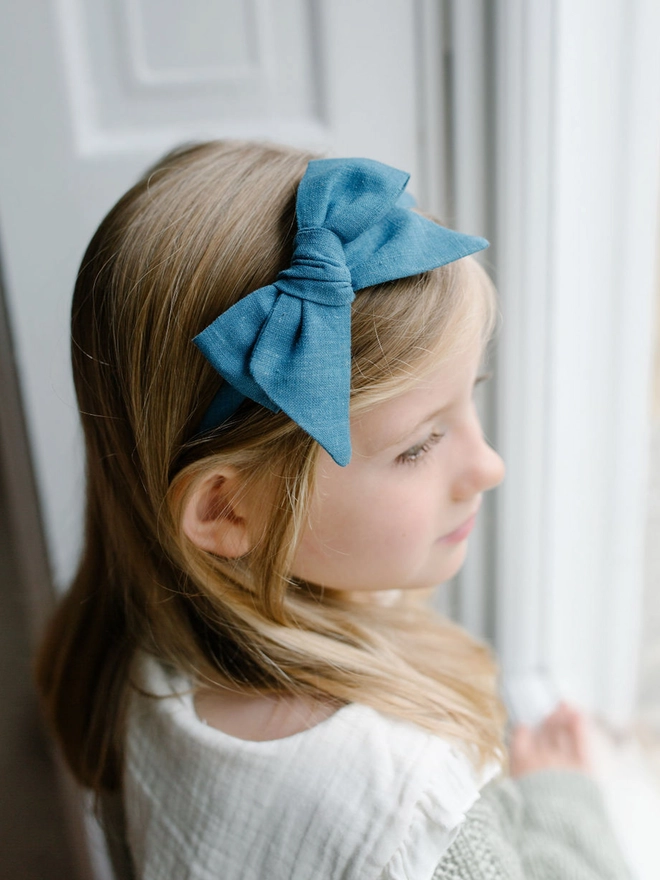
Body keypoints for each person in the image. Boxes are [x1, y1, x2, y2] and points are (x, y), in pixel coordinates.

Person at [35, 141, 631, 879]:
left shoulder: (134, 657)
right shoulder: (416, 814)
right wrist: (564, 805)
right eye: (420, 445)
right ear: (228, 511)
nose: (488, 465)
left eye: (468, 395)